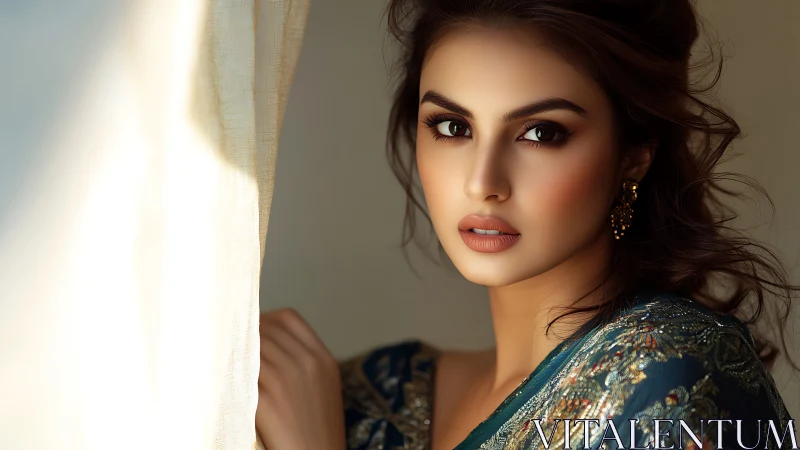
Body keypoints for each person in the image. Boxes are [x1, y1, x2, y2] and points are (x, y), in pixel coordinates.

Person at [254, 0, 798, 449]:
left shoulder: (669, 380)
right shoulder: (376, 395)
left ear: (634, 154)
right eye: (451, 126)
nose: (482, 181)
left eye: (541, 134)